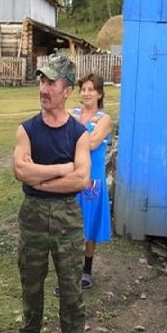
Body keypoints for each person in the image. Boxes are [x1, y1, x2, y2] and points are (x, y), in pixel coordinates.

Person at [6, 53, 91, 333]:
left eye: (51, 82)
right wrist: (59, 169)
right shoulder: (26, 130)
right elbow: (19, 171)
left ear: (66, 89)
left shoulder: (78, 133)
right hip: (33, 215)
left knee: (70, 284)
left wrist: (39, 177)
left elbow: (81, 179)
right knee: (31, 281)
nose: (44, 88)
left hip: (68, 216)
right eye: (41, 80)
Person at [59, 74, 112, 293]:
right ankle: (67, 275)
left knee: (88, 226)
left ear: (99, 93)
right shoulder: (73, 113)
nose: (86, 93)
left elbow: (92, 143)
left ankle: (86, 271)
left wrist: (71, 136)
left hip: (92, 179)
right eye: (83, 89)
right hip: (71, 176)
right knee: (66, 226)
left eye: (91, 89)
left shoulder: (104, 118)